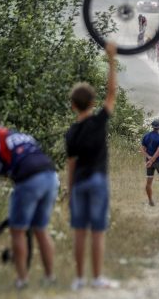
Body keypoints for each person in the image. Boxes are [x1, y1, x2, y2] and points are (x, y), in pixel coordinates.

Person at [0, 111, 58, 289]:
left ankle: (22, 280)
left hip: (30, 179)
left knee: (17, 230)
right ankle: (50, 277)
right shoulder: (18, 134)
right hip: (51, 176)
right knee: (41, 229)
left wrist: (3, 172)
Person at [65, 42, 119, 290]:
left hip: (80, 183)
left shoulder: (72, 132)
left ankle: (77, 279)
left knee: (79, 232)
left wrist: (69, 189)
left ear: (73, 105)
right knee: (97, 231)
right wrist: (111, 59)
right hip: (98, 180)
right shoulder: (99, 121)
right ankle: (97, 278)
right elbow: (112, 93)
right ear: (92, 102)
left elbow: (71, 165)